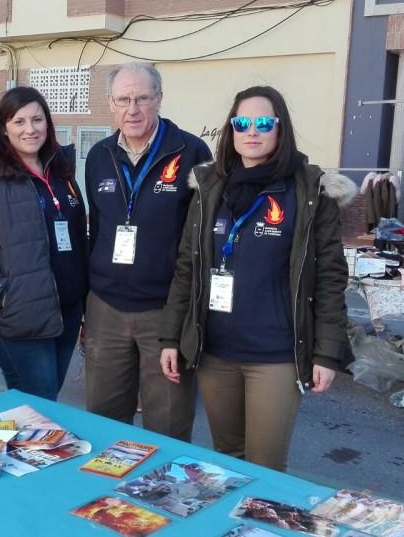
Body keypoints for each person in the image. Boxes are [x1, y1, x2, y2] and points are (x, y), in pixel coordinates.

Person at [158, 85, 354, 471]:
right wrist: (170, 337)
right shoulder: (209, 187)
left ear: (280, 128)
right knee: (227, 460)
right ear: (231, 129)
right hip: (215, 352)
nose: (252, 131)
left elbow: (330, 277)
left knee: (265, 466)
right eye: (242, 123)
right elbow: (187, 269)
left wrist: (327, 353)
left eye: (263, 123)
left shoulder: (308, 190)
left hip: (275, 356)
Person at [83, 62, 211, 440]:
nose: (133, 109)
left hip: (165, 310)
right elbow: (97, 230)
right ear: (111, 103)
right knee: (104, 422)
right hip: (106, 308)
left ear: (159, 98)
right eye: (123, 100)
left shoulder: (192, 152)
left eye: (142, 98)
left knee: (167, 426)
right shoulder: (100, 156)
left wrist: (189, 311)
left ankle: (163, 480)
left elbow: (202, 241)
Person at [0, 87, 88, 401]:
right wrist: (4, 294)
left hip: (66, 313)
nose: (30, 129)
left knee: (37, 406)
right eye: (19, 121)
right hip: (18, 317)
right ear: (4, 128)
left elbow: (77, 238)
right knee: (41, 405)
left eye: (37, 120)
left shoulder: (61, 170)